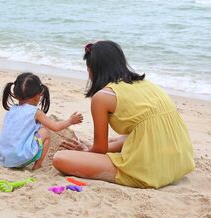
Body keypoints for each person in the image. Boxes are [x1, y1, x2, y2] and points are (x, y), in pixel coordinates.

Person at [53, 41, 195, 188]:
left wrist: (87, 151)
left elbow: (100, 149)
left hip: (151, 169)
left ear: (93, 69)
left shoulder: (102, 97)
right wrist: (94, 148)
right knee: (127, 137)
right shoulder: (148, 85)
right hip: (180, 161)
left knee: (60, 158)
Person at [0, 72, 83, 170]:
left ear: (16, 94)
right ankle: (37, 165)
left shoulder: (12, 109)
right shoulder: (36, 112)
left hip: (3, 158)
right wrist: (70, 121)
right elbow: (55, 127)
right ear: (38, 95)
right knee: (45, 132)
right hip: (18, 158)